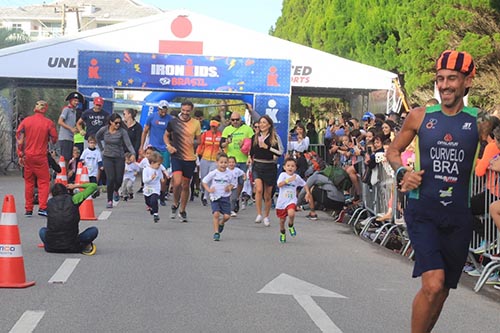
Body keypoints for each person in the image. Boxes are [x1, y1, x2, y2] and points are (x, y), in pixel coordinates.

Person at [386, 50, 479, 333]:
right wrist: (403, 172)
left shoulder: (481, 120)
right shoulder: (419, 116)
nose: (445, 85)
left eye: (452, 78)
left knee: (442, 290)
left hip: (459, 216)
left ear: (467, 82)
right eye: (440, 79)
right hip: (422, 210)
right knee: (433, 283)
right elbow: (393, 151)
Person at [16, 100, 58, 217]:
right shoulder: (48, 123)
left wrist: (20, 154)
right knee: (44, 182)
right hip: (41, 156)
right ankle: (42, 207)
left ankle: (28, 209)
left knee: (29, 182)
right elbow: (54, 138)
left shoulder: (26, 121)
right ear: (45, 109)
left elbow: (19, 138)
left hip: (28, 156)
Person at [164, 100, 201, 222]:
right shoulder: (173, 122)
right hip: (176, 156)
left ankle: (182, 210)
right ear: (181, 109)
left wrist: (194, 142)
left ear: (191, 111)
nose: (185, 113)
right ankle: (175, 203)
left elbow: (199, 140)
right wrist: (168, 146)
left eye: (188, 111)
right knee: (177, 182)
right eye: (183, 110)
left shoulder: (196, 123)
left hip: (190, 158)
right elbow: (166, 135)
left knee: (186, 185)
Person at [39, 182, 98, 255]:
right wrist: (75, 186)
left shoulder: (49, 203)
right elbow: (93, 186)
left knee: (42, 231)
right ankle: (83, 244)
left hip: (51, 247)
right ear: (66, 191)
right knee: (93, 230)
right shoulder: (74, 199)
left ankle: (52, 244)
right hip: (72, 245)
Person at [247, 115, 283, 226]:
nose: (262, 125)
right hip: (257, 165)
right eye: (260, 123)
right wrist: (249, 157)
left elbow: (280, 152)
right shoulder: (254, 137)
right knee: (258, 189)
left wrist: (267, 147)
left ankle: (266, 216)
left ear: (269, 125)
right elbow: (251, 151)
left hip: (269, 166)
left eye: (264, 123)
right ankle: (258, 214)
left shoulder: (274, 137)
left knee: (267, 194)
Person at [96, 113, 136, 208]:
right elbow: (97, 137)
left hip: (119, 157)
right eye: (116, 123)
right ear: (111, 122)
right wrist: (101, 149)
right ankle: (109, 200)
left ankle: (115, 190)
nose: (118, 125)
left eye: (119, 123)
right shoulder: (104, 130)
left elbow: (128, 144)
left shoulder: (122, 132)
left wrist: (133, 154)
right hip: (107, 157)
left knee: (118, 179)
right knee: (110, 178)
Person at [140, 100, 172, 205]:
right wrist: (142, 146)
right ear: (158, 109)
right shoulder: (152, 117)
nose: (163, 111)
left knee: (164, 171)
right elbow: (145, 131)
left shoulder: (170, 119)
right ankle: (149, 193)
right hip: (153, 147)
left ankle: (162, 195)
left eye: (165, 109)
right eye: (161, 109)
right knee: (150, 170)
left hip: (165, 149)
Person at [221, 111, 254, 212]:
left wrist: (249, 155)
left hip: (243, 159)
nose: (235, 122)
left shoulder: (247, 129)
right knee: (229, 181)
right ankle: (231, 200)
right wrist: (226, 142)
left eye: (237, 120)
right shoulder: (227, 130)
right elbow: (221, 145)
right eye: (233, 120)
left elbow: (252, 145)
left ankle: (236, 198)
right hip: (231, 160)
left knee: (240, 181)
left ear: (241, 120)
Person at [276, 157, 312, 243]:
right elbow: (279, 185)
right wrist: (288, 180)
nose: (290, 168)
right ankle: (282, 232)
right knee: (282, 220)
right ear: (284, 167)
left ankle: (290, 225)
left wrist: (308, 193)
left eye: (292, 166)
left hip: (291, 200)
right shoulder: (283, 175)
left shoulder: (297, 177)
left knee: (291, 213)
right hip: (281, 202)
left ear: (295, 168)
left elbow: (304, 184)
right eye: (288, 166)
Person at [202, 152, 236, 241]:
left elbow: (233, 184)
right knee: (216, 214)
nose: (223, 165)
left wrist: (229, 187)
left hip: (225, 197)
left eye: (225, 162)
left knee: (227, 216)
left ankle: (222, 222)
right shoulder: (214, 173)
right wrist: (209, 190)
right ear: (217, 163)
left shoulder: (230, 174)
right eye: (221, 162)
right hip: (215, 197)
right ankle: (216, 233)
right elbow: (204, 181)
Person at [196, 116, 222, 206]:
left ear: (218, 126)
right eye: (212, 126)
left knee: (211, 178)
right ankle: (203, 191)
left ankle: (206, 196)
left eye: (215, 127)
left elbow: (223, 147)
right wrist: (197, 154)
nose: (213, 128)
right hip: (205, 159)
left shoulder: (220, 135)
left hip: (215, 160)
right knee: (204, 177)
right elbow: (201, 145)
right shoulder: (205, 134)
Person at [58, 92, 82, 167]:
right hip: (65, 137)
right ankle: (61, 175)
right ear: (70, 101)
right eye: (75, 100)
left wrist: (77, 130)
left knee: (68, 158)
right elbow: (60, 121)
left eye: (77, 101)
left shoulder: (74, 111)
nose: (76, 102)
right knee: (64, 158)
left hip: (71, 138)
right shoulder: (66, 110)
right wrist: (71, 128)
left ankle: (64, 175)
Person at [142, 151, 164, 223]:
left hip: (155, 187)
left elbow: (160, 174)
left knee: (154, 200)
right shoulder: (146, 169)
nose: (159, 166)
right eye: (158, 164)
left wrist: (162, 178)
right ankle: (151, 208)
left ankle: (156, 214)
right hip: (148, 188)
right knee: (148, 201)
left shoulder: (158, 169)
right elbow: (145, 180)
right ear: (152, 163)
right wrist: (151, 178)